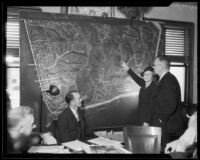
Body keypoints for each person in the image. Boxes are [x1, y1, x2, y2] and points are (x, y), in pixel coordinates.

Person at [152, 55, 184, 152]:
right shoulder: (165, 79)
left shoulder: (168, 80)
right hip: (165, 124)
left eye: (155, 65)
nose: (153, 67)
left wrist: (161, 118)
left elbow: (171, 104)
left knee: (165, 151)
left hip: (167, 125)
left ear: (161, 66)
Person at [121, 61, 157, 126]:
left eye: (148, 74)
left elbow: (152, 106)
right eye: (145, 74)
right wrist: (127, 69)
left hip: (148, 119)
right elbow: (135, 77)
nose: (146, 76)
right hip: (140, 116)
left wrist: (147, 121)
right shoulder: (143, 84)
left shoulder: (154, 88)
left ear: (152, 75)